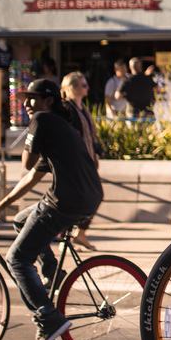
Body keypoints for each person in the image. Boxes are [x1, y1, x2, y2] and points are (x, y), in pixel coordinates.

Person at [0, 79, 104, 340]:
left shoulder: (42, 120)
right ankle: (53, 273)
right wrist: (3, 205)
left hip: (64, 201)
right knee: (20, 220)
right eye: (25, 98)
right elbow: (32, 177)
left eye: (32, 98)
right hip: (87, 197)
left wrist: (31, 132)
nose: (26, 104)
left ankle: (48, 318)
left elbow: (26, 163)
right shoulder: (60, 128)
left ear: (49, 100)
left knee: (16, 258)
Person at [61, 72, 103, 251]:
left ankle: (78, 234)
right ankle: (67, 237)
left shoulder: (82, 108)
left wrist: (97, 149)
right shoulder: (67, 108)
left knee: (91, 196)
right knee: (86, 197)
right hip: (77, 163)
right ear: (72, 88)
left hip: (88, 161)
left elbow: (89, 134)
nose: (87, 88)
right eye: (83, 85)